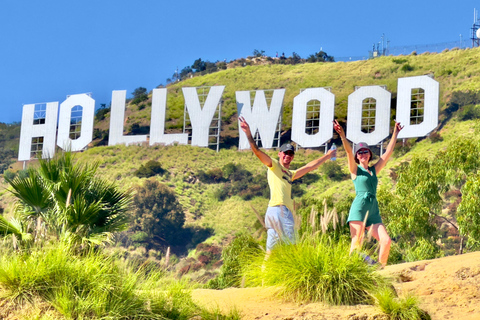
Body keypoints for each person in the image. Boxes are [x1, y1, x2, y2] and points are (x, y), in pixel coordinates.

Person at [239, 116, 336, 253]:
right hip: (279, 210)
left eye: (291, 154)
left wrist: (327, 156)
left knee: (271, 252)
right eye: (285, 153)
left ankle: (264, 272)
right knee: (293, 248)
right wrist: (248, 133)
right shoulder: (273, 165)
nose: (288, 156)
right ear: (280, 154)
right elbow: (257, 152)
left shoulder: (291, 173)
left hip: (277, 212)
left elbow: (309, 167)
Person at [333, 119, 403, 267]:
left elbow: (388, 152)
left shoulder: (373, 170)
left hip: (373, 209)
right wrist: (342, 136)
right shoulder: (355, 170)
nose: (363, 154)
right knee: (357, 241)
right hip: (360, 206)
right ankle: (351, 270)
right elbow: (347, 151)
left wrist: (395, 133)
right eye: (360, 152)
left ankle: (380, 270)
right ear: (357, 156)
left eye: (365, 151)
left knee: (386, 240)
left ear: (369, 154)